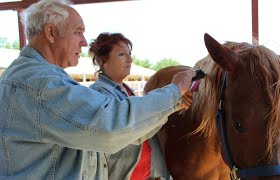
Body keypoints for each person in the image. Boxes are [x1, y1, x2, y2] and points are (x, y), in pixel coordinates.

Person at [0, 0, 196, 179]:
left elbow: (129, 132)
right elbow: (110, 128)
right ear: (51, 33)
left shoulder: (31, 77)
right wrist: (174, 91)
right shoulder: (40, 84)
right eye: (78, 32)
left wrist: (172, 104)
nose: (84, 42)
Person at [88, 32, 170, 180]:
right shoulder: (98, 93)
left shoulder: (125, 90)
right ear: (102, 60)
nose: (130, 59)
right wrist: (169, 106)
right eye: (121, 54)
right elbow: (131, 131)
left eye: (129, 54)